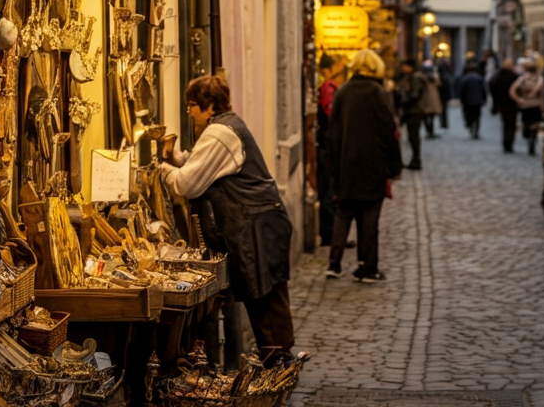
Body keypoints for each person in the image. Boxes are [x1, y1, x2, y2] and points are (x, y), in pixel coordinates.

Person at [161, 74, 297, 363]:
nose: (189, 111)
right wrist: (180, 160)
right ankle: (277, 361)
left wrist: (163, 171)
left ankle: (278, 363)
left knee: (266, 294)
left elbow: (188, 184)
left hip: (258, 223)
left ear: (210, 106)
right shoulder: (223, 127)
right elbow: (206, 166)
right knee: (263, 293)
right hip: (258, 221)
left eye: (193, 105)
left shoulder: (219, 133)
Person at [325, 49, 403, 282]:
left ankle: (334, 264)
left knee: (344, 211)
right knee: (369, 215)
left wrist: (334, 163)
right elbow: (389, 131)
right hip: (373, 163)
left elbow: (333, 133)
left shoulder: (343, 92)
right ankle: (367, 267)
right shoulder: (378, 93)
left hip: (346, 163)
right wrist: (395, 165)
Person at [315, 53, 347, 246]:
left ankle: (333, 233)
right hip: (327, 146)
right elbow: (331, 113)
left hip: (328, 145)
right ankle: (330, 234)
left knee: (330, 189)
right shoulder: (328, 87)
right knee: (328, 191)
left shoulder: (331, 87)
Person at [393, 58, 427, 170]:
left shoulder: (416, 77)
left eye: (404, 66)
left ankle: (416, 160)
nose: (403, 69)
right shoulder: (409, 77)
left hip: (414, 111)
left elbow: (414, 95)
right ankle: (414, 160)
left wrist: (402, 102)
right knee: (411, 136)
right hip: (411, 110)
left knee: (413, 136)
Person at [509, 59, 544, 155]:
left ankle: (529, 139)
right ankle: (532, 141)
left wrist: (518, 99)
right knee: (535, 124)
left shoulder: (523, 79)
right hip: (536, 105)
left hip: (525, 105)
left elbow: (512, 90)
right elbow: (543, 95)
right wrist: (543, 107)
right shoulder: (539, 80)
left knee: (526, 123)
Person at [488, 59, 520, 153]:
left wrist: (496, 99)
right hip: (511, 103)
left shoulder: (499, 76)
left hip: (502, 104)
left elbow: (491, 85)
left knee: (505, 124)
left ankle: (506, 144)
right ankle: (509, 144)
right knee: (511, 125)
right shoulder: (513, 77)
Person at [455, 62, 489, 139]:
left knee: (469, 115)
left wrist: (462, 99)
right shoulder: (479, 78)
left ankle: (471, 127)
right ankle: (476, 130)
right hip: (477, 101)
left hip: (468, 101)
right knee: (477, 116)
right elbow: (484, 90)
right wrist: (484, 98)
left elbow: (462, 91)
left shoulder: (465, 79)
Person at [419, 61, 444, 139]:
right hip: (426, 100)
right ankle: (429, 131)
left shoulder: (432, 77)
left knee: (430, 117)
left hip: (430, 100)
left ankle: (430, 132)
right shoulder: (423, 77)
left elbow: (439, 84)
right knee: (427, 117)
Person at [436, 60, 454, 130]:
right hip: (444, 97)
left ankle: (443, 123)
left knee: (442, 111)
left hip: (441, 96)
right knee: (444, 111)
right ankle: (444, 123)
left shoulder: (441, 78)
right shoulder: (446, 77)